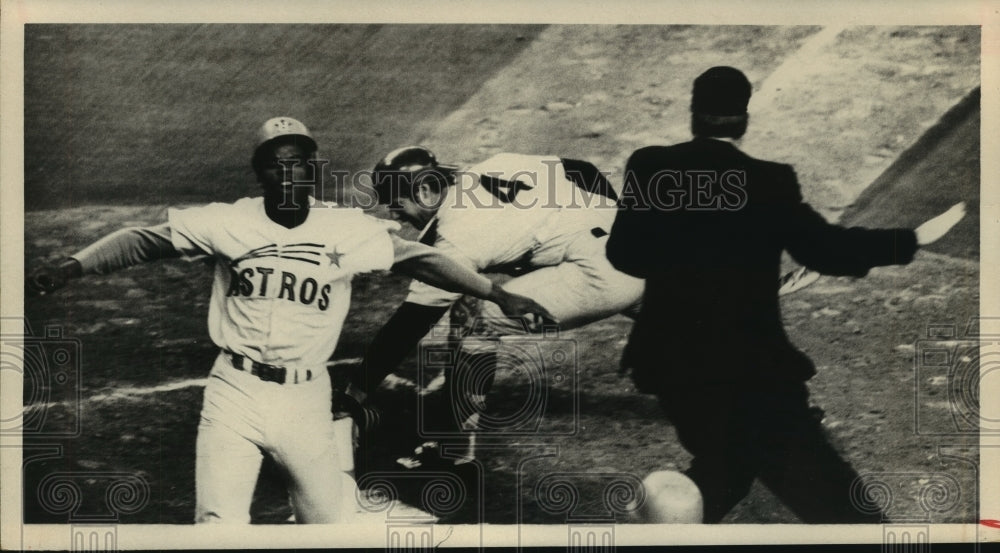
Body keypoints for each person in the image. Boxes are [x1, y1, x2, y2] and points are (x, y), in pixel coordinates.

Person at [25, 117, 552, 524]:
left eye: (299, 162)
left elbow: (419, 258)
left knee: (327, 521)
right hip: (233, 392)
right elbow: (144, 239)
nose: (289, 173)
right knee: (218, 522)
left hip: (305, 398)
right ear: (260, 172)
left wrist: (497, 293)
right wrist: (72, 267)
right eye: (276, 164)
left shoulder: (345, 228)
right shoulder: (229, 220)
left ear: (313, 168)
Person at [606, 66, 966, 523]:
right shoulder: (769, 181)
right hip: (750, 372)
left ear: (694, 113)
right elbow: (828, 250)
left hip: (667, 364)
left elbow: (626, 256)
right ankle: (663, 516)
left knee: (730, 463)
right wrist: (910, 239)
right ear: (744, 118)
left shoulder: (650, 166)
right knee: (837, 504)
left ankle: (669, 511)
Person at [354, 147, 645, 464]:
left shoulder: (456, 237)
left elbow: (409, 324)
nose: (394, 214)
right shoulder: (499, 165)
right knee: (683, 326)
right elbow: (582, 169)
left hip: (600, 274)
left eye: (396, 204)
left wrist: (356, 391)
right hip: (636, 244)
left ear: (424, 190)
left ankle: (454, 447)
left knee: (474, 319)